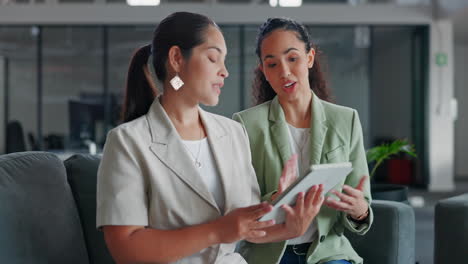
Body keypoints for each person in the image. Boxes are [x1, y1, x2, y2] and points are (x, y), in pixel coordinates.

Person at [96, 12, 324, 264]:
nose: (224, 72)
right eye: (213, 58)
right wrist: (217, 231)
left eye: (224, 61)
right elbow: (126, 249)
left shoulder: (233, 132)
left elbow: (246, 228)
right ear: (176, 58)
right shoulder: (128, 142)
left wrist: (288, 225)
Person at [233, 17, 373, 264]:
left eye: (292, 58)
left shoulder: (346, 120)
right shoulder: (246, 125)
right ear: (264, 71)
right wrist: (277, 197)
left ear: (309, 58)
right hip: (270, 253)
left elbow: (361, 202)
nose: (284, 72)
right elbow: (241, 208)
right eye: (272, 64)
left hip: (327, 252)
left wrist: (360, 211)